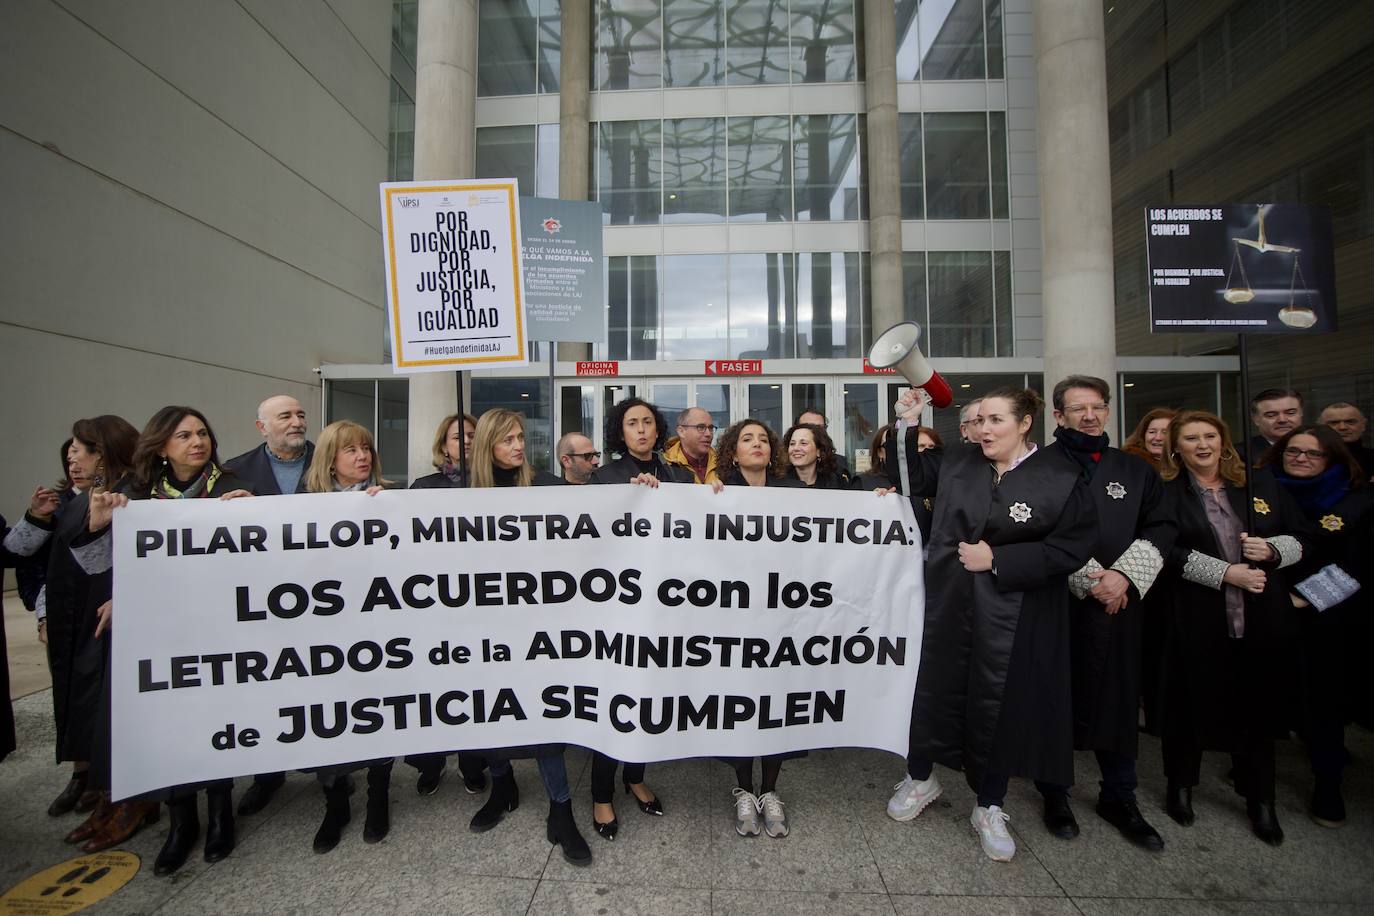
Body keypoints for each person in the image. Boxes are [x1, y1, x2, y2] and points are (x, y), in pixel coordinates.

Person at [882, 386, 1096, 863]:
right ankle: (921, 778)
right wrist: (908, 422)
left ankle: (989, 803)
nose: (984, 430)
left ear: (1025, 424)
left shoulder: (1061, 476)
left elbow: (1071, 547)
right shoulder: (959, 462)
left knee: (1000, 702)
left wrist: (998, 558)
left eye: (996, 421)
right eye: (979, 421)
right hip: (948, 601)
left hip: (1017, 613)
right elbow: (908, 475)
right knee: (932, 689)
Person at [1156, 410, 1309, 846]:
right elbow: (1164, 550)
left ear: (1224, 441)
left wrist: (1274, 551)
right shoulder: (1168, 493)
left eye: (1210, 436)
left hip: (1260, 616)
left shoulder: (1258, 484)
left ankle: (1261, 799)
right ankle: (1180, 786)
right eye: (1191, 438)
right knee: (1189, 704)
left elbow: (1303, 537)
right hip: (1197, 613)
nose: (1203, 445)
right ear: (1176, 447)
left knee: (1258, 707)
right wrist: (1224, 573)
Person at [1035, 376, 1175, 851]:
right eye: (1078, 409)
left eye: (1097, 407)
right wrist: (1093, 579)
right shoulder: (1038, 468)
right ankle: (1054, 793)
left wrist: (1125, 578)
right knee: (1054, 700)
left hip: (1121, 605)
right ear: (1059, 416)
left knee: (1118, 697)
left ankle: (1120, 796)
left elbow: (1161, 524)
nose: (1089, 416)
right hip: (1059, 606)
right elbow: (1032, 528)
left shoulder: (1134, 471)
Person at [462, 410, 591, 866]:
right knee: (493, 710)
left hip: (541, 628)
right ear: (487, 447)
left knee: (544, 714)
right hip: (484, 627)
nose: (519, 446)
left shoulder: (549, 488)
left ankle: (561, 808)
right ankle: (503, 787)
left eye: (521, 438)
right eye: (508, 440)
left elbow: (596, 526)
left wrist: (642, 494)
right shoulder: (455, 496)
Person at [1264, 425, 1372, 827]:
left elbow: (1360, 563)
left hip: (1329, 613)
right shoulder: (1264, 491)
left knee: (1324, 699)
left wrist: (1304, 599)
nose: (1301, 459)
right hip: (1267, 605)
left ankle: (1328, 784)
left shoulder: (1356, 499)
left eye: (1313, 454)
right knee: (1267, 690)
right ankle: (1253, 771)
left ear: (1333, 459)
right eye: (1294, 451)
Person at [585, 398, 680, 841]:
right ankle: (601, 793)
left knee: (649, 700)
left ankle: (635, 775)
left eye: (647, 423)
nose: (641, 430)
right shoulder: (604, 478)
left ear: (658, 430)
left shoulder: (679, 475)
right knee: (616, 702)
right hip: (618, 614)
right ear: (619, 433)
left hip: (665, 609)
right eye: (631, 424)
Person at [303, 420, 394, 853]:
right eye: (350, 451)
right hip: (326, 631)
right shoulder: (302, 506)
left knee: (379, 709)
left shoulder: (392, 498)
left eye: (366, 449)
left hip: (377, 628)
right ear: (330, 460)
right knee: (330, 714)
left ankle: (379, 794)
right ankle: (335, 800)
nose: (362, 457)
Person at [222, 395, 314, 817]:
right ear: (262, 428)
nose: (296, 422)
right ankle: (267, 775)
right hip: (262, 601)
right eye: (285, 417)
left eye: (300, 415)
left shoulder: (329, 460)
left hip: (323, 599)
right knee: (268, 687)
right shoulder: (233, 472)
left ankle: (330, 769)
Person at [710, 419, 802, 839]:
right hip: (735, 617)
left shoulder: (795, 493)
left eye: (764, 439)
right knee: (742, 702)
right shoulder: (718, 495)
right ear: (733, 452)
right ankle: (744, 790)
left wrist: (879, 504)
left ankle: (771, 790)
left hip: (783, 615)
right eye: (748, 439)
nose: (758, 445)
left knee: (776, 701)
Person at [406, 413, 490, 796]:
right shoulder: (424, 487)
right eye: (459, 437)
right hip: (438, 604)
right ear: (443, 446)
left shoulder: (492, 483)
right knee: (437, 685)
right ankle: (432, 761)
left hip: (484, 604)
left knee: (474, 686)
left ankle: (472, 763)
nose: (468, 441)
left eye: (474, 435)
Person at [412, 412, 477, 489]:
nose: (466, 441)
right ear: (444, 447)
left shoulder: (492, 481)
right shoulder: (424, 486)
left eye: (472, 436)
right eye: (457, 437)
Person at [779, 423, 848, 488]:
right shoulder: (778, 482)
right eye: (792, 444)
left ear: (819, 451)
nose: (796, 448)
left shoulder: (835, 483)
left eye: (803, 443)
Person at [662, 407, 720, 484]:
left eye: (710, 428)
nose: (708, 434)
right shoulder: (663, 466)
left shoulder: (724, 465)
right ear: (681, 431)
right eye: (701, 427)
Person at [1318, 402, 1374, 480]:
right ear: (1320, 427)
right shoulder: (1309, 459)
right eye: (1334, 423)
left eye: (1350, 422)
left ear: (1363, 425)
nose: (1342, 427)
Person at [1249, 388, 1303, 459]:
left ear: (1301, 414)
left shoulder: (1319, 447)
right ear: (1256, 420)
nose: (1282, 420)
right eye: (1271, 415)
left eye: (1290, 413)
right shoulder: (1241, 455)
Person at [795, 408, 850, 478]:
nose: (816, 431)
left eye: (820, 427)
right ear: (796, 429)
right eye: (809, 427)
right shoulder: (784, 463)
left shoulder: (838, 462)